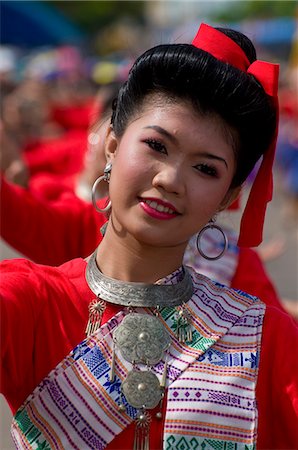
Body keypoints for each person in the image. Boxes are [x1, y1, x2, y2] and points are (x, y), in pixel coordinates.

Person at [1, 23, 297, 450]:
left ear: (228, 196)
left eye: (206, 168)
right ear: (112, 146)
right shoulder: (31, 305)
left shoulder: (267, 339)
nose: (170, 179)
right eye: (157, 146)